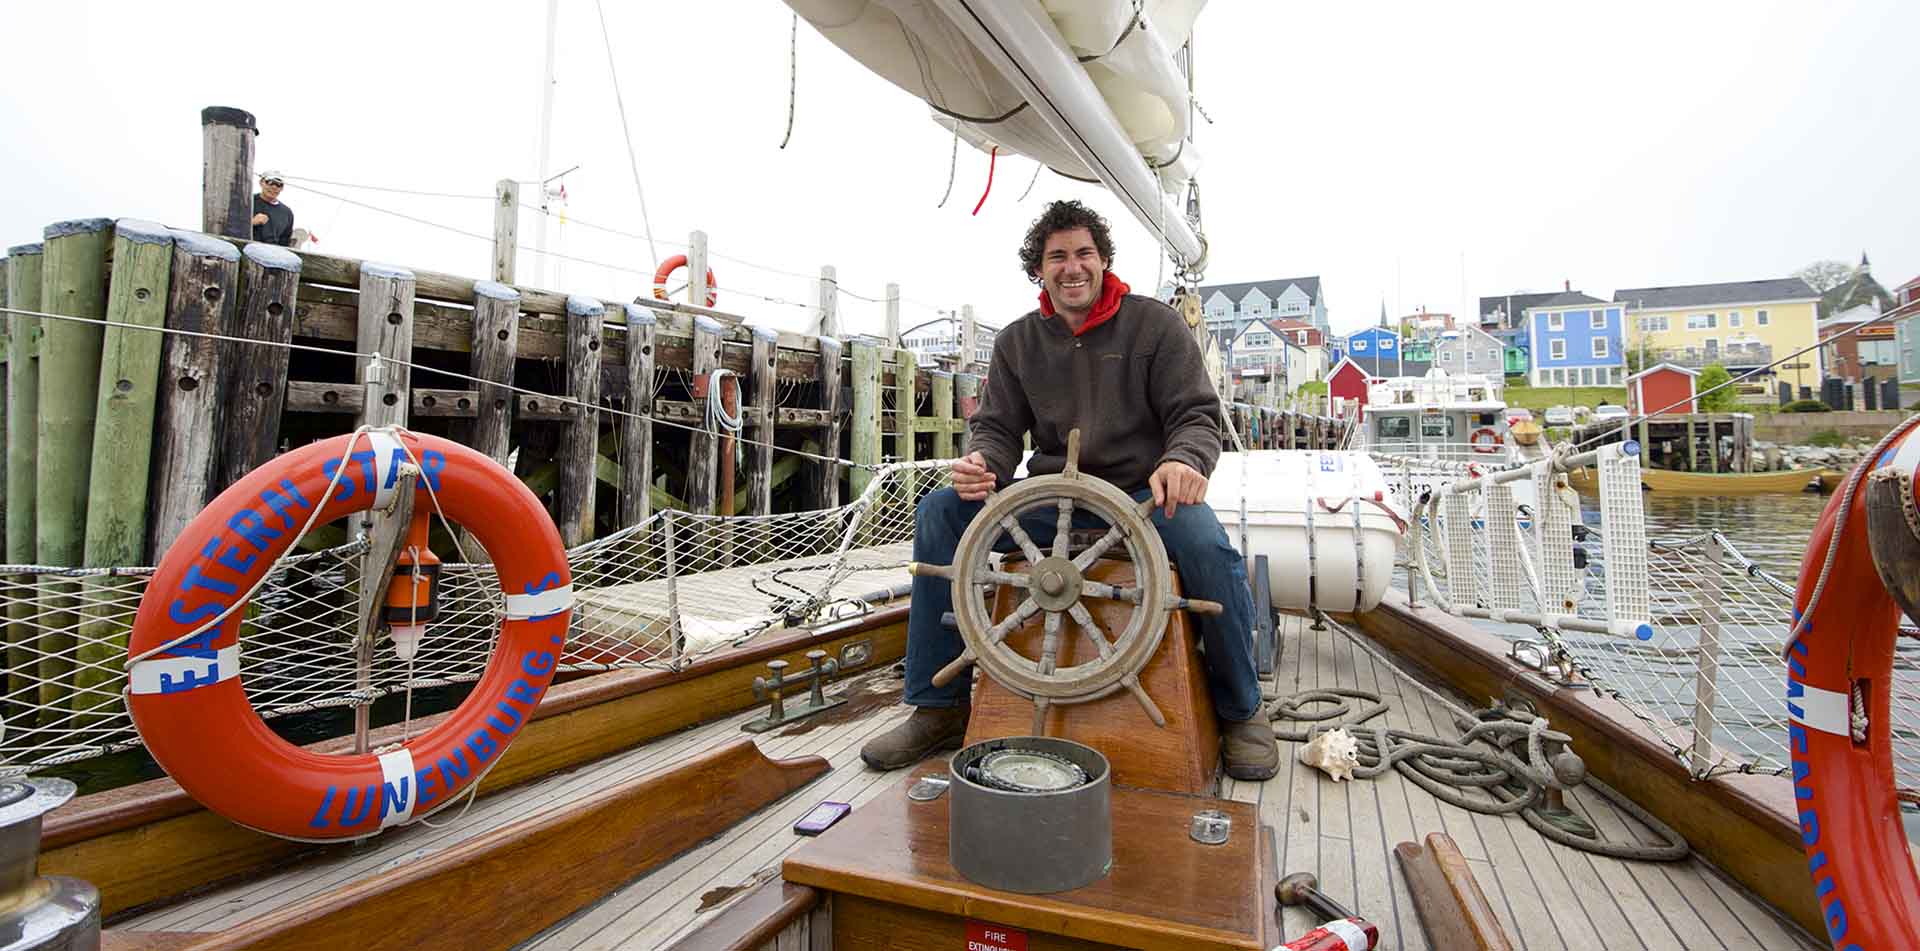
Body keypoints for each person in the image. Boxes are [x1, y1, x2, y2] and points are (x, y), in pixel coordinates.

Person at [859, 200, 1279, 781]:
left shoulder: (1156, 326)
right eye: (1057, 256)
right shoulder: (1017, 343)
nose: (1071, 267)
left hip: (1147, 496)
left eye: (1083, 253)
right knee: (941, 513)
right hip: (1054, 497)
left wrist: (1183, 461)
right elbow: (999, 429)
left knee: (1209, 550)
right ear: (1040, 269)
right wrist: (985, 464)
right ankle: (938, 709)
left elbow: (1195, 416)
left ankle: (1240, 709)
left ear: (1103, 261)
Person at [251, 170, 295, 246]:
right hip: (249, 246)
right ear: (261, 183)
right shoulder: (247, 201)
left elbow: (285, 241)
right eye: (270, 182)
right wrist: (252, 222)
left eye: (279, 184)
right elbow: (232, 226)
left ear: (282, 188)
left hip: (274, 252)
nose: (274, 187)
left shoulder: (287, 213)